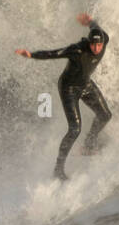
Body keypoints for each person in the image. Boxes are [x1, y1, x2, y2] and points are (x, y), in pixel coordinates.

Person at [16, 12, 111, 180]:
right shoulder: (77, 50)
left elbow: (95, 27)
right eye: (94, 45)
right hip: (69, 88)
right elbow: (54, 53)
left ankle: (89, 144)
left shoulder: (104, 38)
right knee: (75, 129)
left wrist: (90, 21)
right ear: (89, 42)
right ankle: (58, 169)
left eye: (99, 45)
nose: (97, 48)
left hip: (85, 84)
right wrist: (31, 54)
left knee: (105, 115)